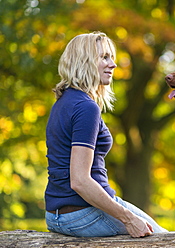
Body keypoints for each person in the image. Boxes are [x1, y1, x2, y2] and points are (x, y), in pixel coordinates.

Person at [45, 31, 167, 238]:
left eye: (112, 57)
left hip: (57, 214)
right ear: (84, 61)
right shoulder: (85, 108)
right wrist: (128, 219)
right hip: (81, 213)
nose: (113, 64)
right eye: (104, 57)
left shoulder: (63, 102)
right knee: (167, 240)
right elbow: (80, 181)